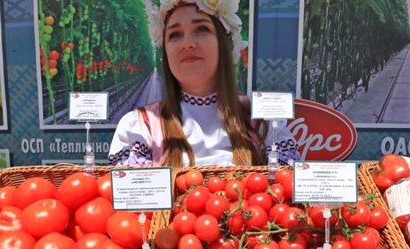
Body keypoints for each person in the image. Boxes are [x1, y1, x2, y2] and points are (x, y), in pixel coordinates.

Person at [108, 0, 300, 168]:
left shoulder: (262, 121)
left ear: (224, 45)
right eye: (175, 34)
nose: (187, 43)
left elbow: (284, 194)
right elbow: (133, 203)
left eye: (201, 29)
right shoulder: (141, 126)